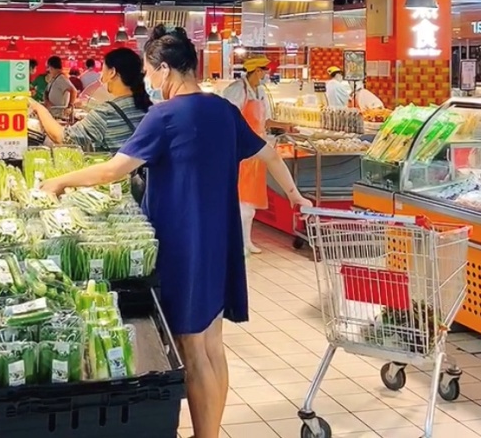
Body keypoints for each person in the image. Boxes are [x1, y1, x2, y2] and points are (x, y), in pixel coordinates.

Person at [40, 26, 309, 438]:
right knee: (212, 343)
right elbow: (269, 153)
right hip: (220, 241)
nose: (148, 80)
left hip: (183, 242)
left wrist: (60, 182)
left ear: (165, 69)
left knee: (192, 347)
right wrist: (295, 195)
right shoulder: (223, 110)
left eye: (149, 71)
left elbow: (114, 170)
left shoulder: (164, 115)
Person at [28, 48, 151, 152]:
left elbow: (63, 138)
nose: (101, 75)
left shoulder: (108, 112)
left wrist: (38, 107)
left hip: (117, 172)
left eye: (103, 69)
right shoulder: (148, 105)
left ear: (112, 72)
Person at [221, 57, 272, 254]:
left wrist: (284, 126)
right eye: (264, 70)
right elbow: (227, 119)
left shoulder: (260, 92)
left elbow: (265, 120)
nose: (266, 74)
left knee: (250, 199)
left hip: (256, 149)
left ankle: (246, 240)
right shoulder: (237, 90)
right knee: (241, 198)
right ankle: (239, 242)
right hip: (239, 149)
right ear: (257, 71)